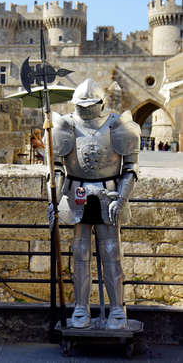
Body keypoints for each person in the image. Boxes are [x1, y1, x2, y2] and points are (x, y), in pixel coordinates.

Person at [50, 79, 140, 329]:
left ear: (101, 103)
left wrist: (122, 198)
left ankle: (117, 309)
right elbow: (57, 168)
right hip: (76, 195)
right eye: (82, 105)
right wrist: (53, 198)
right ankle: (81, 307)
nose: (86, 109)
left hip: (109, 195)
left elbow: (130, 169)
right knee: (80, 254)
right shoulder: (65, 125)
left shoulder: (119, 125)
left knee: (112, 254)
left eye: (90, 104)